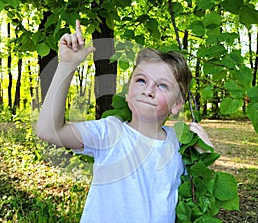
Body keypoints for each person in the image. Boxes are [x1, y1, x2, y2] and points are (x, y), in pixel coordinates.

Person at [36, 20, 214, 223]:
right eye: (141, 81)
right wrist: (67, 65)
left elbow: (198, 190)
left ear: (177, 105)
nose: (148, 90)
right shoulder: (110, 132)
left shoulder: (179, 144)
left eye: (163, 86)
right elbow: (48, 131)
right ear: (128, 93)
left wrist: (206, 153)